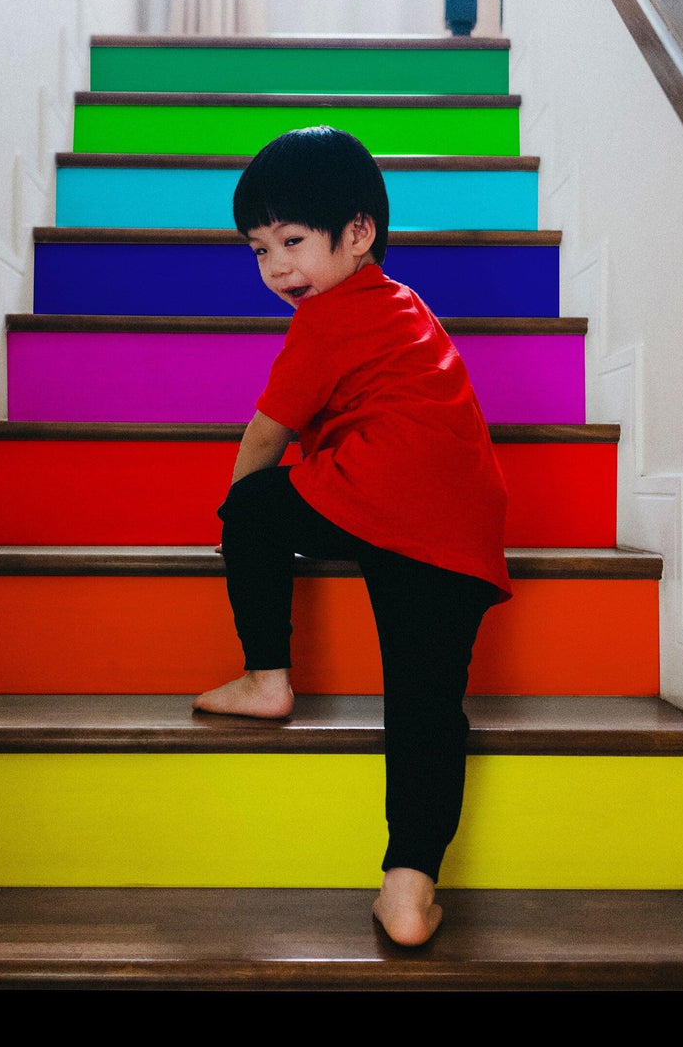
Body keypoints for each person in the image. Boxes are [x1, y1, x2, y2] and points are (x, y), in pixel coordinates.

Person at [193, 126, 511, 947]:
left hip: (378, 489)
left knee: (254, 505)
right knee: (427, 706)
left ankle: (267, 678)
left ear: (359, 233)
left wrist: (238, 528)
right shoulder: (407, 309)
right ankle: (407, 893)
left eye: (292, 242)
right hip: (464, 523)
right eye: (259, 251)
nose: (276, 269)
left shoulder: (328, 319)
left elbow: (263, 439)